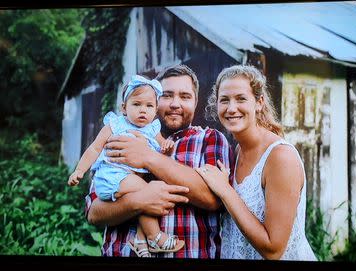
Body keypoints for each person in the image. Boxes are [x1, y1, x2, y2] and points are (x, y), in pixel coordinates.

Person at [85, 64, 234, 258]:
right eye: (167, 95)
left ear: (195, 102)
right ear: (155, 102)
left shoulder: (210, 139)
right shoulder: (121, 136)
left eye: (185, 96)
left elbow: (214, 200)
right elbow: (94, 213)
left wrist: (148, 157)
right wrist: (138, 201)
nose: (175, 103)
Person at [195, 64, 317, 261]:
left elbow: (273, 250)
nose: (231, 108)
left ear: (259, 102)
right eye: (224, 100)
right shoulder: (236, 150)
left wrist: (226, 191)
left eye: (241, 99)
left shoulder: (280, 157)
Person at [68, 75, 185, 257]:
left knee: (145, 201)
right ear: (124, 108)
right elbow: (94, 148)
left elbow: (163, 149)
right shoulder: (115, 125)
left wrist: (167, 146)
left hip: (129, 181)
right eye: (136, 104)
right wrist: (79, 170)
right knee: (149, 195)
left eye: (149, 106)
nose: (142, 111)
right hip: (113, 178)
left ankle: (140, 240)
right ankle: (155, 237)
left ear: (155, 111)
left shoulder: (152, 130)